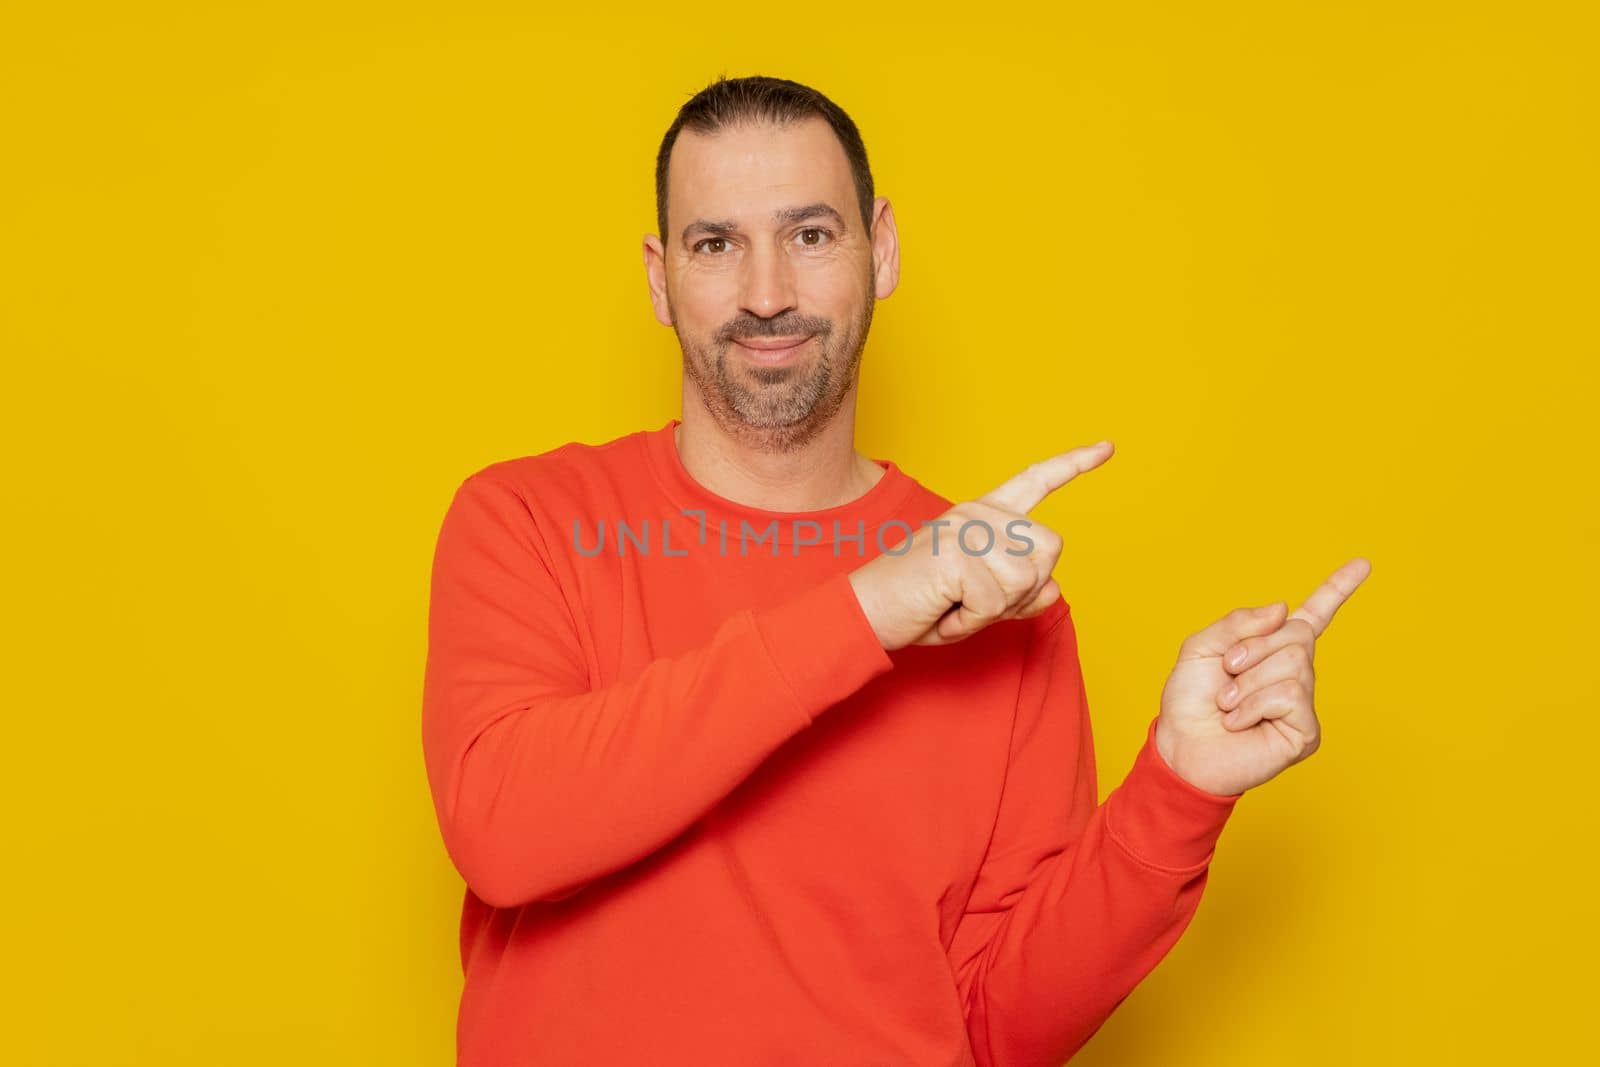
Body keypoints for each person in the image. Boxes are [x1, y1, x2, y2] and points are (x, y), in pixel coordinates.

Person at [421, 73, 1370, 1067]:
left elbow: (1001, 1021)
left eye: (812, 234)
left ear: (882, 249)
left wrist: (1180, 789)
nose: (766, 292)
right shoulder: (528, 520)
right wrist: (870, 606)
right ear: (661, 279)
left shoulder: (1000, 594)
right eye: (716, 243)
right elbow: (505, 832)